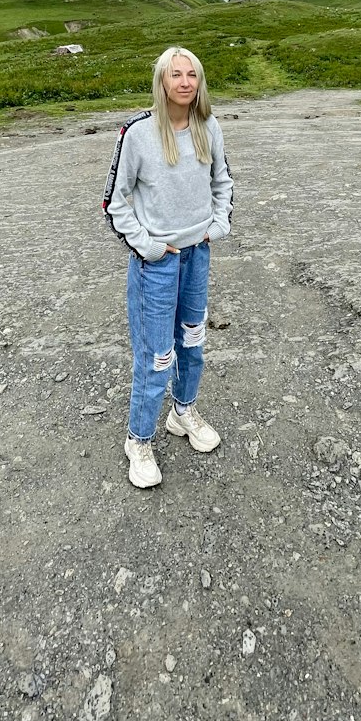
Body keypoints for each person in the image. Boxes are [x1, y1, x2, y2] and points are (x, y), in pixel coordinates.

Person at [102, 46, 233, 489]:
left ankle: (183, 412)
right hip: (156, 265)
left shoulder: (208, 126)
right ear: (161, 81)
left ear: (200, 81)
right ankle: (138, 439)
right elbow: (113, 202)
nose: (184, 82)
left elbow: (222, 180)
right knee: (157, 357)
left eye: (191, 74)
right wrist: (149, 247)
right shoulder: (137, 134)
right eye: (175, 74)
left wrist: (218, 225)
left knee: (193, 343)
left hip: (198, 255)